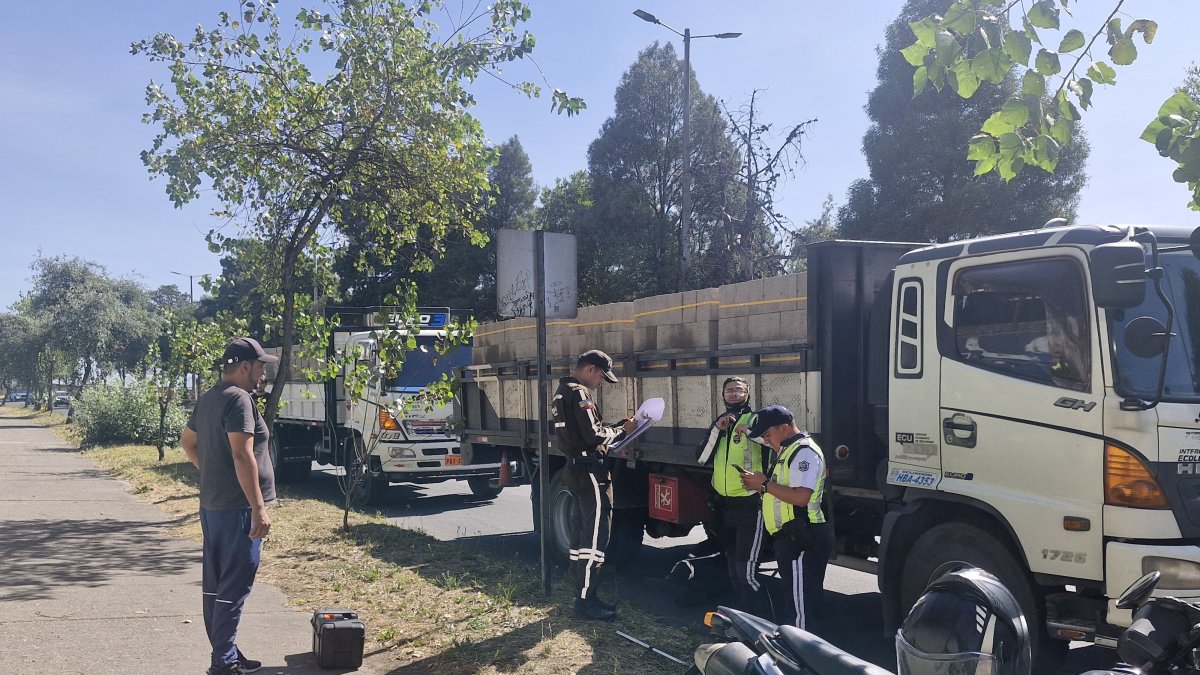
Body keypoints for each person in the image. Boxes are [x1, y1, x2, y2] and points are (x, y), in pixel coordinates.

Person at [180, 337, 278, 675]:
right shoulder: (239, 399)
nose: (263, 373)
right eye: (260, 366)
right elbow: (241, 454)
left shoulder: (210, 397)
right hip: (238, 509)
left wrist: (213, 473)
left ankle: (226, 652)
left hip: (213, 506)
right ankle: (223, 662)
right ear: (245, 367)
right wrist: (258, 507)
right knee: (234, 585)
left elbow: (187, 442)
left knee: (216, 584)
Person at [551, 349, 635, 620]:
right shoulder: (580, 393)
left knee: (580, 536)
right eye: (601, 376)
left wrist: (617, 428)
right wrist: (622, 431)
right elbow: (593, 435)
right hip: (590, 473)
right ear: (589, 369)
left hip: (575, 469)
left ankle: (583, 594)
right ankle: (586, 601)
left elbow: (583, 433)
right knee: (596, 537)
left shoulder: (562, 391)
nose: (601, 382)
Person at [739, 405, 833, 633]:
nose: (766, 440)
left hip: (802, 537)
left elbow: (801, 497)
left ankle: (801, 653)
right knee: (797, 603)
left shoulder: (803, 453)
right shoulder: (788, 449)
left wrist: (764, 484)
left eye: (767, 434)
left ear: (784, 428)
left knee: (802, 612)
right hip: (792, 536)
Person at [696, 376, 770, 613]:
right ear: (723, 395)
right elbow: (702, 458)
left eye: (739, 390)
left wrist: (749, 431)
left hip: (750, 503)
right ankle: (740, 616)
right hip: (724, 504)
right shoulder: (719, 422)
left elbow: (773, 444)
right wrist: (718, 429)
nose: (734, 394)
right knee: (730, 561)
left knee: (746, 568)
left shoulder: (756, 420)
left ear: (747, 394)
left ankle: (758, 618)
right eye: (729, 390)